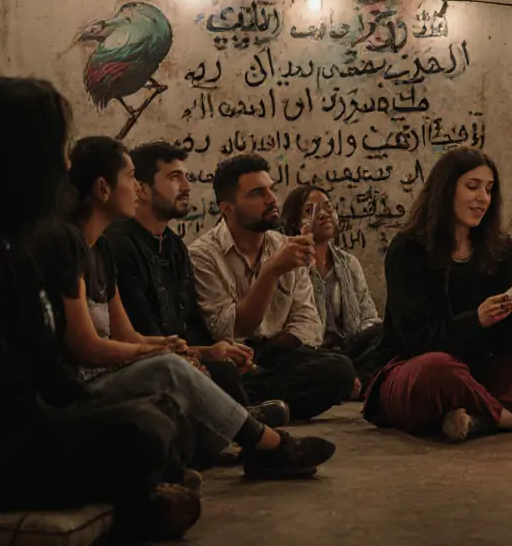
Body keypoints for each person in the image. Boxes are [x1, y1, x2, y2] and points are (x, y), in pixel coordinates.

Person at [0, 78, 198, 539]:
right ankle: (143, 503)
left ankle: (144, 494)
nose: (65, 167)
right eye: (57, 152)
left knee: (157, 414)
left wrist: (97, 408)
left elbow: (46, 365)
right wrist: (94, 422)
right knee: (139, 434)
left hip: (10, 427)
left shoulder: (7, 242)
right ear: (21, 160)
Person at [42, 136, 335, 478]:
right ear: (104, 189)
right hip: (84, 384)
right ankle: (270, 444)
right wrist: (164, 354)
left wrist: (170, 346)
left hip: (120, 370)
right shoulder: (70, 247)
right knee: (173, 372)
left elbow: (128, 334)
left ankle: (234, 432)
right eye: (131, 178)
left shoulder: (103, 250)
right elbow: (86, 346)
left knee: (198, 375)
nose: (136, 189)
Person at [363, 147, 512, 441]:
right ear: (445, 188)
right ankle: (510, 418)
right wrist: (477, 319)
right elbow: (417, 341)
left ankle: (478, 420)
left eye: (489, 190)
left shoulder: (499, 249)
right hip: (416, 369)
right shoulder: (408, 249)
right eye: (473, 187)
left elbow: (510, 343)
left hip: (479, 370)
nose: (483, 199)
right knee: (439, 368)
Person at [106, 142, 288, 422]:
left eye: (186, 177)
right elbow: (142, 335)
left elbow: (190, 323)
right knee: (219, 374)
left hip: (182, 358)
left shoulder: (174, 246)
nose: (187, 187)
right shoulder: (119, 246)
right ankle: (243, 423)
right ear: (141, 189)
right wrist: (203, 354)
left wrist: (215, 351)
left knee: (232, 366)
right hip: (148, 365)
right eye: (174, 177)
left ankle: (238, 418)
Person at [190, 154, 357, 421]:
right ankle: (252, 409)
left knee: (339, 371)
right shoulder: (203, 256)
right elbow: (228, 329)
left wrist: (270, 352)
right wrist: (272, 271)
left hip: (278, 354)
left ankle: (251, 411)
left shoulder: (285, 245)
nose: (271, 199)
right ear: (228, 209)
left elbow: (308, 322)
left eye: (270, 188)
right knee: (221, 378)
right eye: (257, 193)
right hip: (233, 360)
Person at [280, 184, 385, 395]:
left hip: (349, 347)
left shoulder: (348, 263)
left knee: (386, 330)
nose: (324, 215)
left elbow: (368, 314)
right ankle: (356, 382)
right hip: (311, 351)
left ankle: (354, 381)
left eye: (328, 208)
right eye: (311, 210)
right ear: (294, 222)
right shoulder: (287, 262)